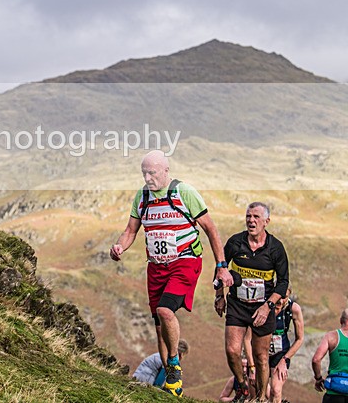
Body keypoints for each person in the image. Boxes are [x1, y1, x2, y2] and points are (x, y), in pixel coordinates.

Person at [110, 150, 233, 398]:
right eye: (144, 173)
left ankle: (174, 365)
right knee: (158, 326)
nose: (147, 178)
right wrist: (120, 246)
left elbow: (210, 228)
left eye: (152, 173)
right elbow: (131, 230)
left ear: (166, 171)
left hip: (185, 261)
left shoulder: (183, 192)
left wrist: (221, 266)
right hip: (156, 265)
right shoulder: (142, 196)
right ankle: (171, 383)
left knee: (166, 311)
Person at [216, 202, 289, 402]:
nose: (251, 220)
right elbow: (221, 267)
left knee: (261, 358)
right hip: (238, 304)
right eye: (248, 216)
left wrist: (268, 306)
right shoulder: (235, 242)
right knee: (232, 351)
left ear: (267, 221)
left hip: (262, 307)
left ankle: (260, 399)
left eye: (256, 217)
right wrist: (219, 295)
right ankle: (243, 387)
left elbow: (283, 283)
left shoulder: (276, 248)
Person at [268, 287, 304, 403]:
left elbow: (300, 339)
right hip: (261, 351)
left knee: (276, 390)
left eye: (285, 297)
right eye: (279, 296)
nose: (281, 301)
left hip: (281, 353)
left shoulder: (294, 308)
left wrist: (285, 359)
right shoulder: (265, 304)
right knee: (259, 391)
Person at [312, 309, 348, 403]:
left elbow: (316, 359)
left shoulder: (331, 336)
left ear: (341, 320)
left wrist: (318, 379)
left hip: (334, 393)